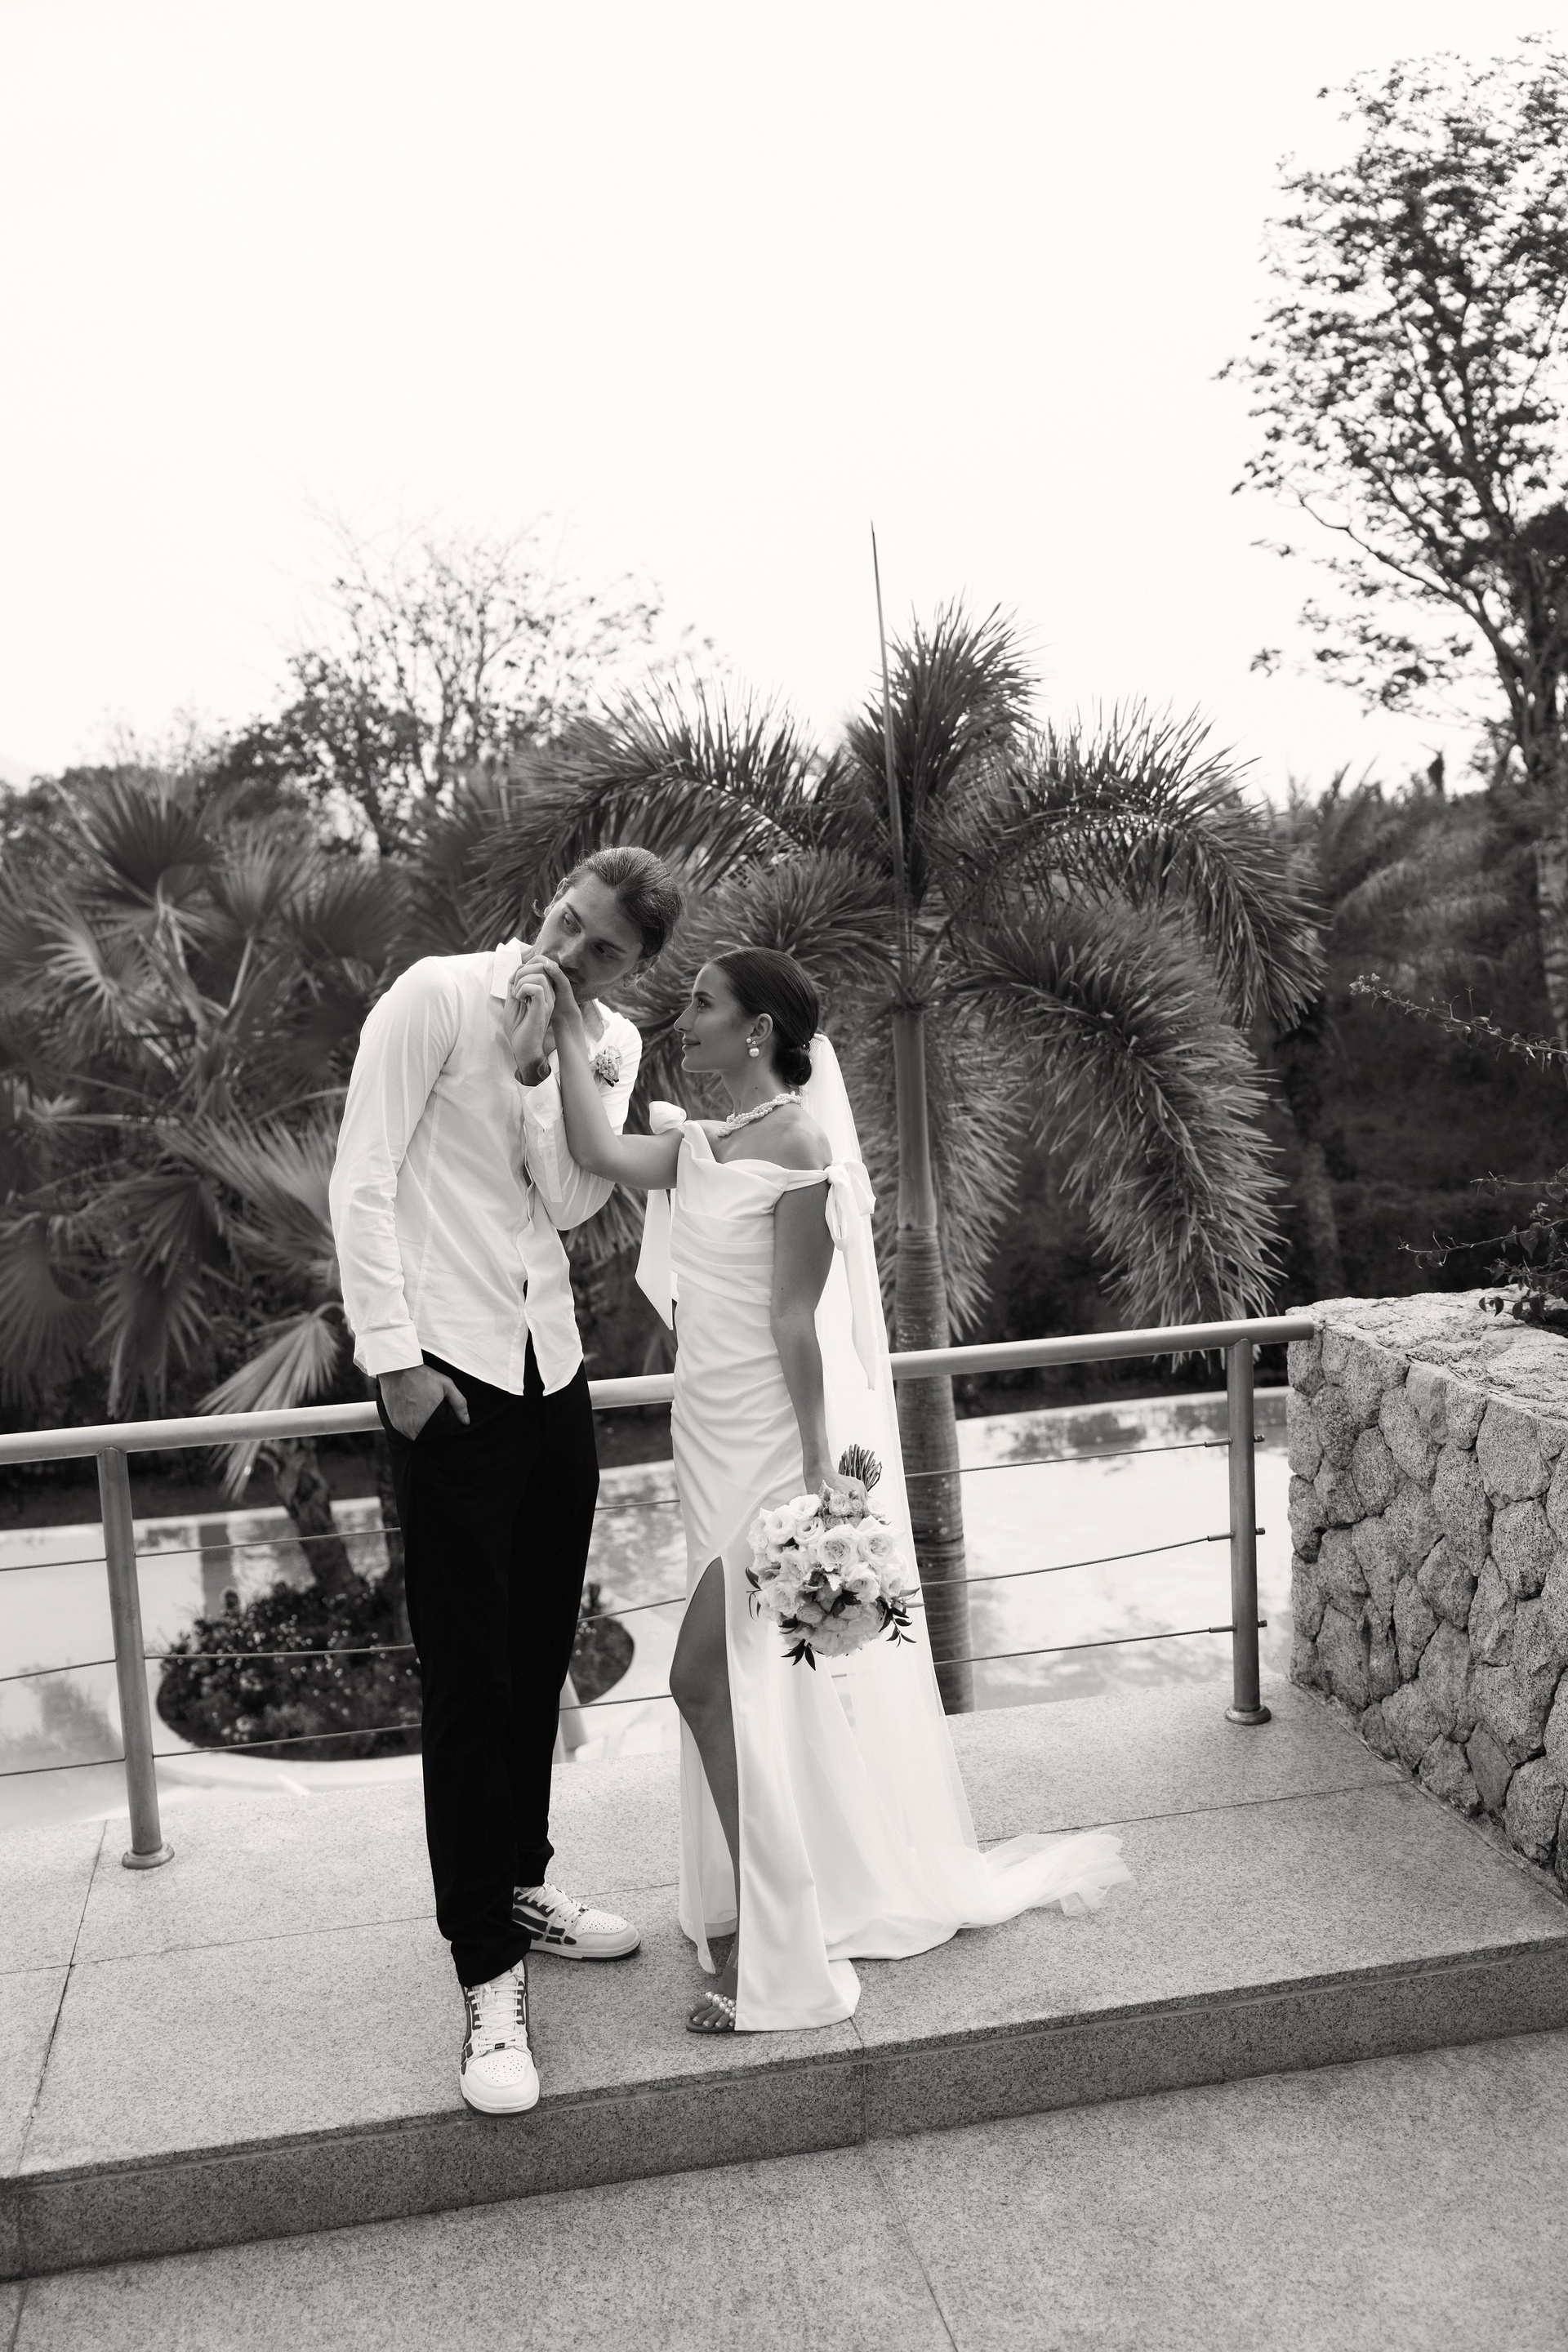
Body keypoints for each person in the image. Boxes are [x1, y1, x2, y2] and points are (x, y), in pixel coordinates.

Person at [514, 941, 1130, 2034]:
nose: (685, 1021)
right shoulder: (701, 1145)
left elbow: (797, 1319)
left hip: (768, 1448)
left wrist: (817, 1476)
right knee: (740, 1692)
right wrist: (567, 1020)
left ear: (757, 1030)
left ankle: (784, 1958)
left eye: (703, 1005)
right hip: (703, 1437)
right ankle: (770, 1910)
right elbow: (595, 1147)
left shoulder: (798, 1142)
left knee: (705, 1683)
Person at [329, 845, 683, 2112]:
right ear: (553, 897)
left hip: (554, 1378)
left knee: (538, 1657)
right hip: (449, 1381)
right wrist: (394, 1364)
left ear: (635, 967)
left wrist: (548, 1069)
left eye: (603, 949)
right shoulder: (433, 994)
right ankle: (485, 1971)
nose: (570, 951)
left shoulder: (610, 1043)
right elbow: (362, 1176)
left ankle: (520, 1881)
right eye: (568, 921)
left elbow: (576, 1202)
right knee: (469, 1678)